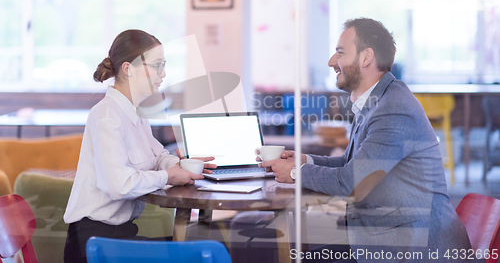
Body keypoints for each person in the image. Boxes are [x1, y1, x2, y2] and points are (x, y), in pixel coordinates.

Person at [258, 18, 472, 262]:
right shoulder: (377, 102)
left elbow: (352, 182)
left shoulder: (393, 109)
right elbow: (351, 163)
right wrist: (305, 159)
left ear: (365, 57)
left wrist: (297, 172)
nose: (331, 62)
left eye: (340, 53)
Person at [63, 30, 216, 263]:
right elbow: (119, 185)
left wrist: (181, 165)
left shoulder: (136, 115)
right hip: (94, 241)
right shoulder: (106, 116)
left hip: (119, 236)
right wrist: (168, 176)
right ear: (128, 68)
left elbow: (157, 156)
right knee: (200, 252)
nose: (163, 73)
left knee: (200, 243)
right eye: (157, 65)